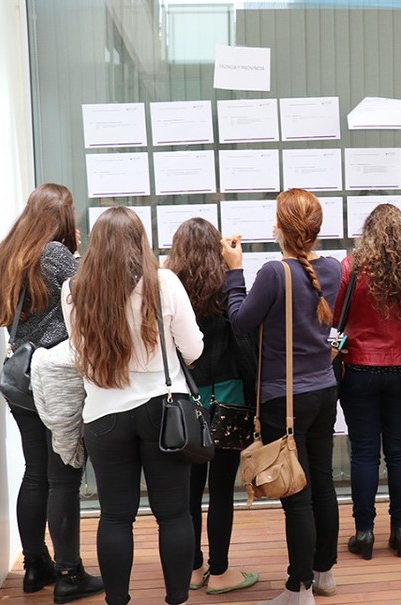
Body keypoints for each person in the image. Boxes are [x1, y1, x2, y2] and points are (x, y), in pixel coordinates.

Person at [63, 206, 204, 605]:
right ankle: (176, 598)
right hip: (165, 409)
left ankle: (117, 600)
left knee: (114, 516)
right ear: (140, 241)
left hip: (104, 411)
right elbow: (193, 349)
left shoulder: (74, 289)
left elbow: (79, 352)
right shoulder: (164, 282)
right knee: (173, 514)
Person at [222, 188, 341, 605]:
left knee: (296, 495)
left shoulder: (275, 272)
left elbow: (240, 321)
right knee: (322, 482)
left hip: (284, 399)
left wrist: (234, 272)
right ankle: (324, 573)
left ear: (282, 229)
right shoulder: (333, 269)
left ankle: (299, 589)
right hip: (324, 390)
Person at [0, 183, 104, 602]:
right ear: (61, 215)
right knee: (64, 476)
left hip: (19, 376)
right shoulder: (54, 253)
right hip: (54, 376)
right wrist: (80, 257)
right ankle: (71, 573)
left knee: (36, 472)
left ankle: (36, 564)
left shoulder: (8, 253)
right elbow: (86, 297)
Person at [333, 204, 401, 560]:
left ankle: (364, 532)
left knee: (363, 452)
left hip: (360, 367)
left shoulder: (352, 267)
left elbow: (336, 317)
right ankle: (400, 530)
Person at [165, 218, 259, 595]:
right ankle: (220, 572)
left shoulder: (171, 289)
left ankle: (192, 568)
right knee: (221, 491)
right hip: (229, 400)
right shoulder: (226, 289)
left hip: (187, 402)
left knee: (188, 491)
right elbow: (245, 344)